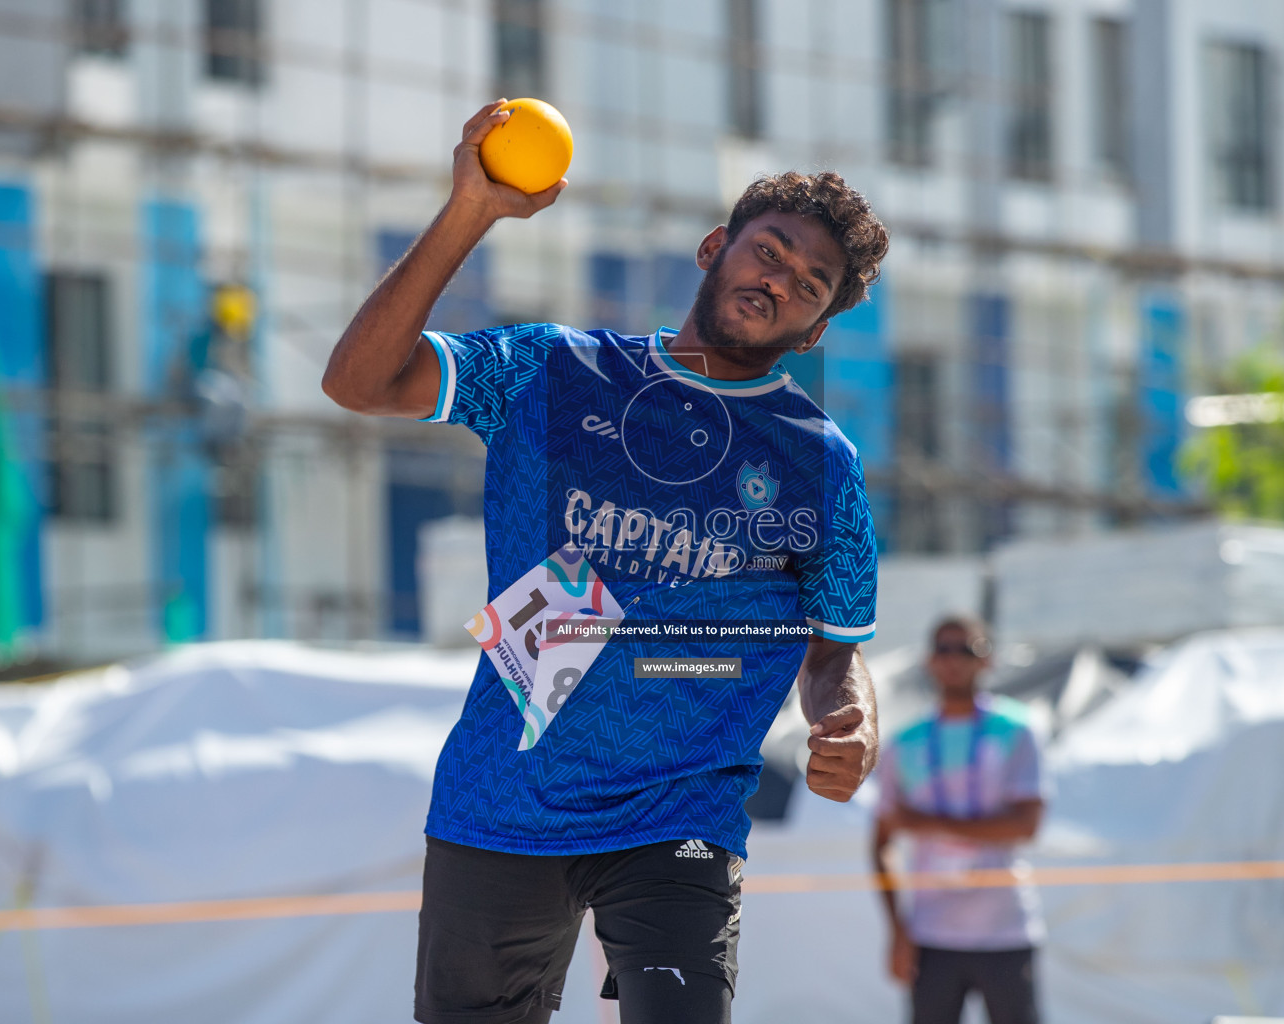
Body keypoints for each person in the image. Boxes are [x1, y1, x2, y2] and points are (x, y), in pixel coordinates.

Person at [322, 100, 890, 1024]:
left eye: (812, 284)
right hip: (504, 795)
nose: (781, 280)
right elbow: (359, 383)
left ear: (817, 327)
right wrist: (473, 210)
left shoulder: (817, 461)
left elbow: (833, 645)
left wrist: (850, 714)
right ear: (716, 247)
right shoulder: (552, 371)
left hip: (680, 813)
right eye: (770, 251)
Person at [872, 616, 1048, 1024]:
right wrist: (897, 930)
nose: (953, 661)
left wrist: (927, 822)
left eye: (966, 650)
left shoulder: (1017, 729)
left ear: (987, 659)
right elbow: (881, 841)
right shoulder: (906, 742)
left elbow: (1026, 825)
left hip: (1005, 930)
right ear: (929, 661)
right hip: (932, 934)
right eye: (943, 650)